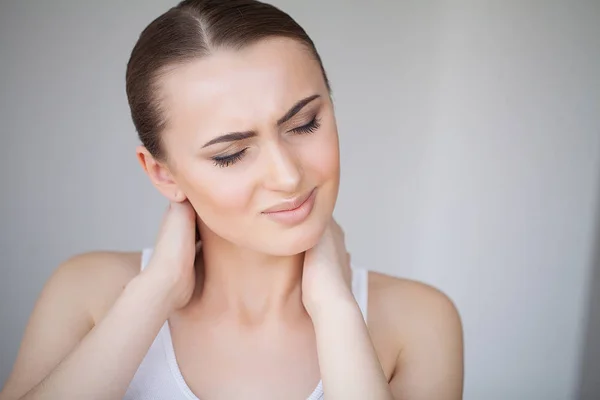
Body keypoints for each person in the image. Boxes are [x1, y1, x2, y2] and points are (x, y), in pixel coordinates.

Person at [0, 1, 464, 399]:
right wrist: (156, 291)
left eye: (304, 124)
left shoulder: (417, 321)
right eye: (232, 154)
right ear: (162, 172)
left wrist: (336, 310)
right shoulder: (87, 294)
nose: (287, 175)